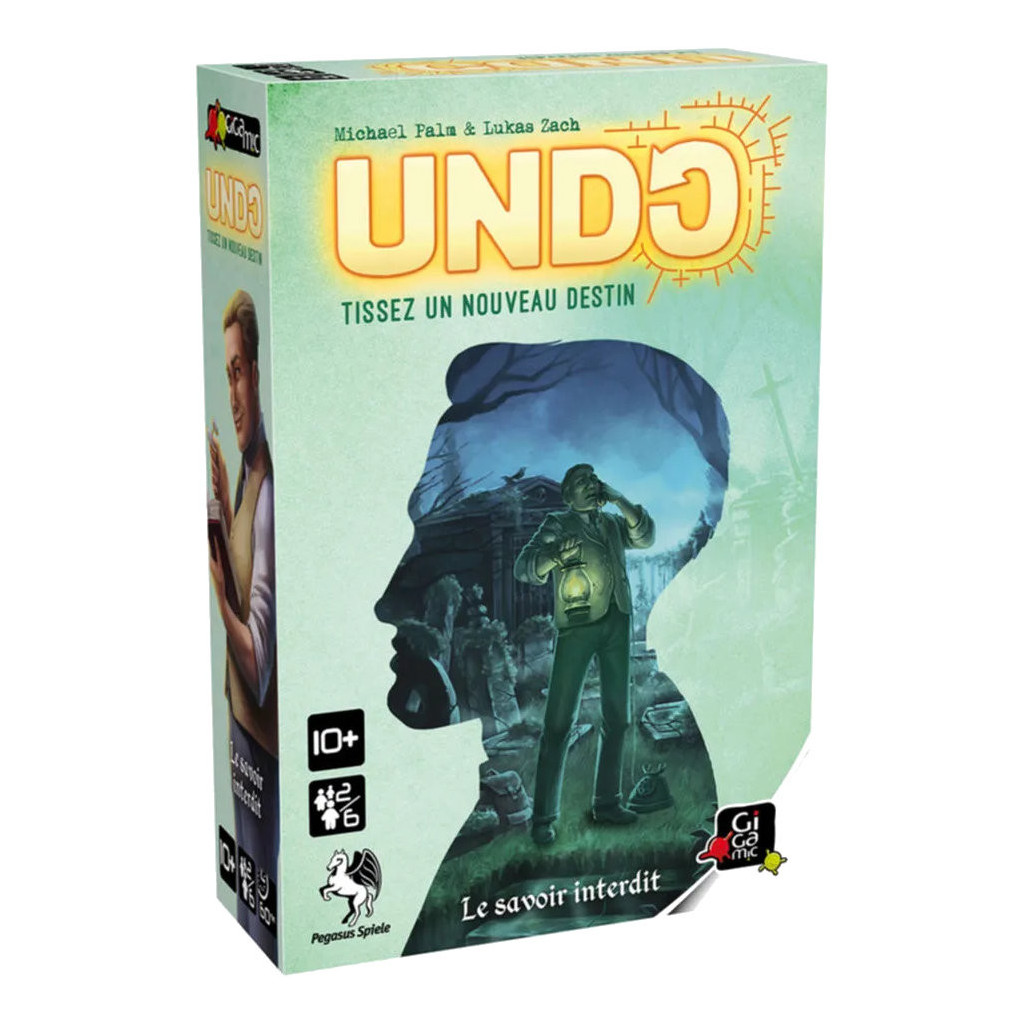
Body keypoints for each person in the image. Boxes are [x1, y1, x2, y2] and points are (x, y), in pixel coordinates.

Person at [514, 464, 654, 845]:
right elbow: (524, 567)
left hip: (617, 621)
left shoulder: (612, 524)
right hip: (577, 628)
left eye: (593, 480)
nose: (590, 485)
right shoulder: (558, 523)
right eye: (581, 482)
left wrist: (620, 499)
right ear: (567, 495)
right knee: (559, 722)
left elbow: (645, 536)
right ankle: (544, 817)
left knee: (618, 717)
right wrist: (553, 555)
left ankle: (607, 802)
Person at [208, 289, 278, 958]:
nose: (232, 395)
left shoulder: (269, 495)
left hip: (262, 748)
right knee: (250, 909)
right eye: (225, 374)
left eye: (238, 373)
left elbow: (257, 668)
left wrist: (215, 586)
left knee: (264, 918)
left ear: (259, 373)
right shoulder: (248, 480)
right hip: (241, 740)